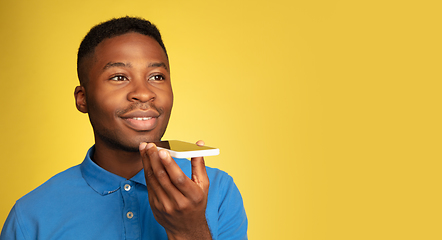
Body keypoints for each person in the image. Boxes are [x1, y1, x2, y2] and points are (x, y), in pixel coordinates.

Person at [0, 16, 247, 240]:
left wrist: (189, 231)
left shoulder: (217, 191)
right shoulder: (30, 217)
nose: (143, 93)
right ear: (82, 98)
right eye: (119, 77)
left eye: (156, 77)